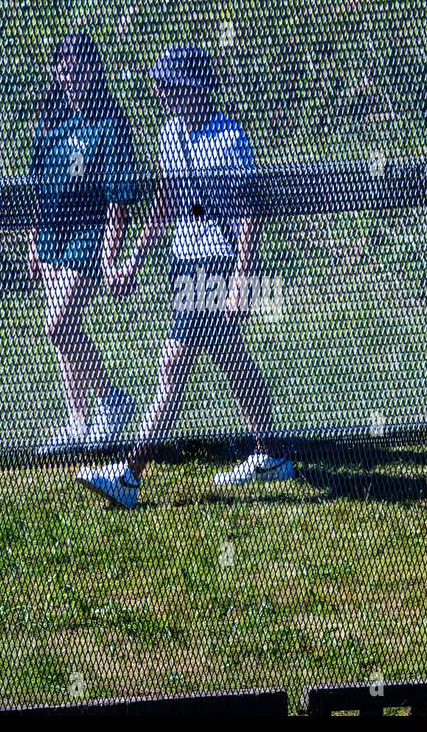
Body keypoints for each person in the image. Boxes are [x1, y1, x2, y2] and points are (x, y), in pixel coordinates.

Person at [75, 45, 292, 508]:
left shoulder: (229, 136)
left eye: (170, 88)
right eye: (161, 89)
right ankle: (272, 454)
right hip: (183, 262)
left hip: (215, 262)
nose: (163, 96)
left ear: (193, 89)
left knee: (173, 365)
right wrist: (134, 258)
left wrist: (240, 277)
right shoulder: (170, 133)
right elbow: (165, 204)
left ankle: (130, 474)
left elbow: (246, 211)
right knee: (232, 359)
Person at [28, 32, 138, 455]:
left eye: (80, 67)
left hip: (87, 238)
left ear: (95, 70)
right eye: (64, 67)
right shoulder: (52, 120)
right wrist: (35, 244)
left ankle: (113, 400)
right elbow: (40, 186)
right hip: (51, 237)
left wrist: (110, 258)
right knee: (64, 336)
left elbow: (118, 204)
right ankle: (78, 424)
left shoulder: (110, 125)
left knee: (57, 325)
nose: (71, 75)